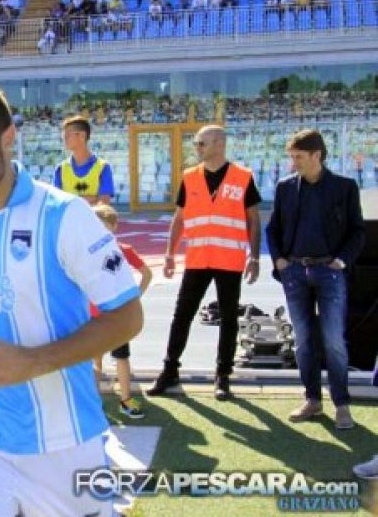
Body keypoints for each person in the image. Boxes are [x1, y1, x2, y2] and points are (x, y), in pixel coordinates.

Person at [0, 77, 143, 517]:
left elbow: (127, 317)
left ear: (7, 138)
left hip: (66, 443)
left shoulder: (64, 216)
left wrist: (36, 361)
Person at [148, 125, 261, 401]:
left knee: (229, 319)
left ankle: (222, 376)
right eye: (197, 143)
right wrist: (169, 253)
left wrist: (255, 256)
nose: (196, 148)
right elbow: (180, 218)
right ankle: (169, 370)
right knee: (182, 315)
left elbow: (253, 220)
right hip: (197, 259)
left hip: (229, 260)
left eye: (201, 143)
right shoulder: (189, 177)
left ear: (219, 144)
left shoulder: (243, 177)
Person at [266, 129, 365, 429]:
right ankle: (312, 400)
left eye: (298, 157)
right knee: (303, 341)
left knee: (334, 340)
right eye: (291, 157)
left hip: (329, 272)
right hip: (294, 272)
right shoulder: (285, 188)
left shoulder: (345, 188)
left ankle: (342, 404)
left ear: (316, 155)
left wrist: (340, 261)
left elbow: (357, 231)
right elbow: (273, 229)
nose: (292, 162)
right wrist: (280, 261)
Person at [92, 204, 152, 419]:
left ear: (114, 226)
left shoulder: (123, 250)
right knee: (94, 360)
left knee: (121, 358)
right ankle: (94, 401)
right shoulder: (85, 253)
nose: (99, 231)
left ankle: (125, 399)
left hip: (117, 317)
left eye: (104, 227)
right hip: (95, 316)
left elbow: (147, 274)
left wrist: (134, 298)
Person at [53, 114, 115, 205]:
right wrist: (91, 199)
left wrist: (71, 201)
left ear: (82, 136)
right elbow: (56, 203)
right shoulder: (60, 169)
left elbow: (104, 204)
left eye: (67, 136)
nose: (64, 140)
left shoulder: (103, 167)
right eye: (63, 136)